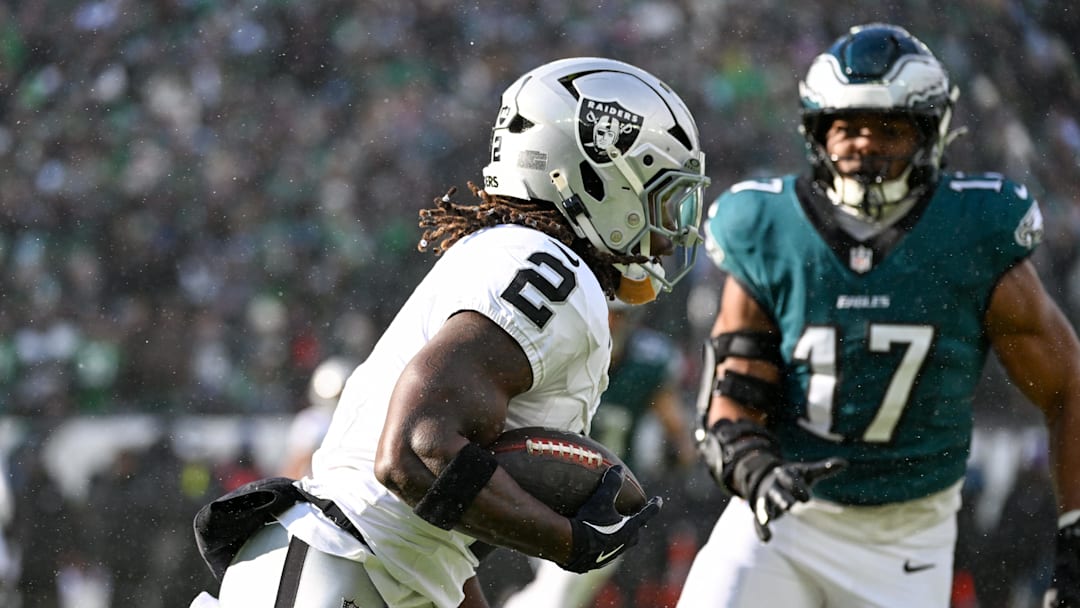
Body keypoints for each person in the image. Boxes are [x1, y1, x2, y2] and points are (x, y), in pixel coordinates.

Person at [188, 56, 710, 608]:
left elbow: (437, 525)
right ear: (598, 178)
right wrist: (570, 542)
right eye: (662, 198)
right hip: (343, 562)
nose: (669, 236)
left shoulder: (518, 257)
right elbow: (415, 452)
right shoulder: (555, 273)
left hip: (366, 568)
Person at [678, 23, 1080, 608]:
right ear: (817, 133)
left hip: (906, 537)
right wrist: (753, 468)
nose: (864, 145)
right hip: (782, 523)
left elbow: (1068, 388)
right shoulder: (771, 228)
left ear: (929, 134)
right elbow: (732, 394)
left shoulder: (973, 231)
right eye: (847, 127)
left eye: (888, 128)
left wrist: (1075, 534)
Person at [501, 301, 697, 608]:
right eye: (605, 311)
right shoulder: (561, 350)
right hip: (545, 491)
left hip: (607, 504)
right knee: (558, 595)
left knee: (561, 595)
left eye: (619, 314)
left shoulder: (648, 362)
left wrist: (667, 454)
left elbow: (681, 444)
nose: (610, 322)